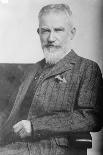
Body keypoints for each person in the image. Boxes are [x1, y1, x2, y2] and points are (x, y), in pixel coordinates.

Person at [0, 3, 103, 155]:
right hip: (13, 143)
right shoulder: (31, 69)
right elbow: (9, 112)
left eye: (58, 30)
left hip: (52, 147)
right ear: (38, 32)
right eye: (45, 31)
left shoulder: (87, 68)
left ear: (72, 33)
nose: (51, 38)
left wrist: (35, 126)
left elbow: (90, 118)